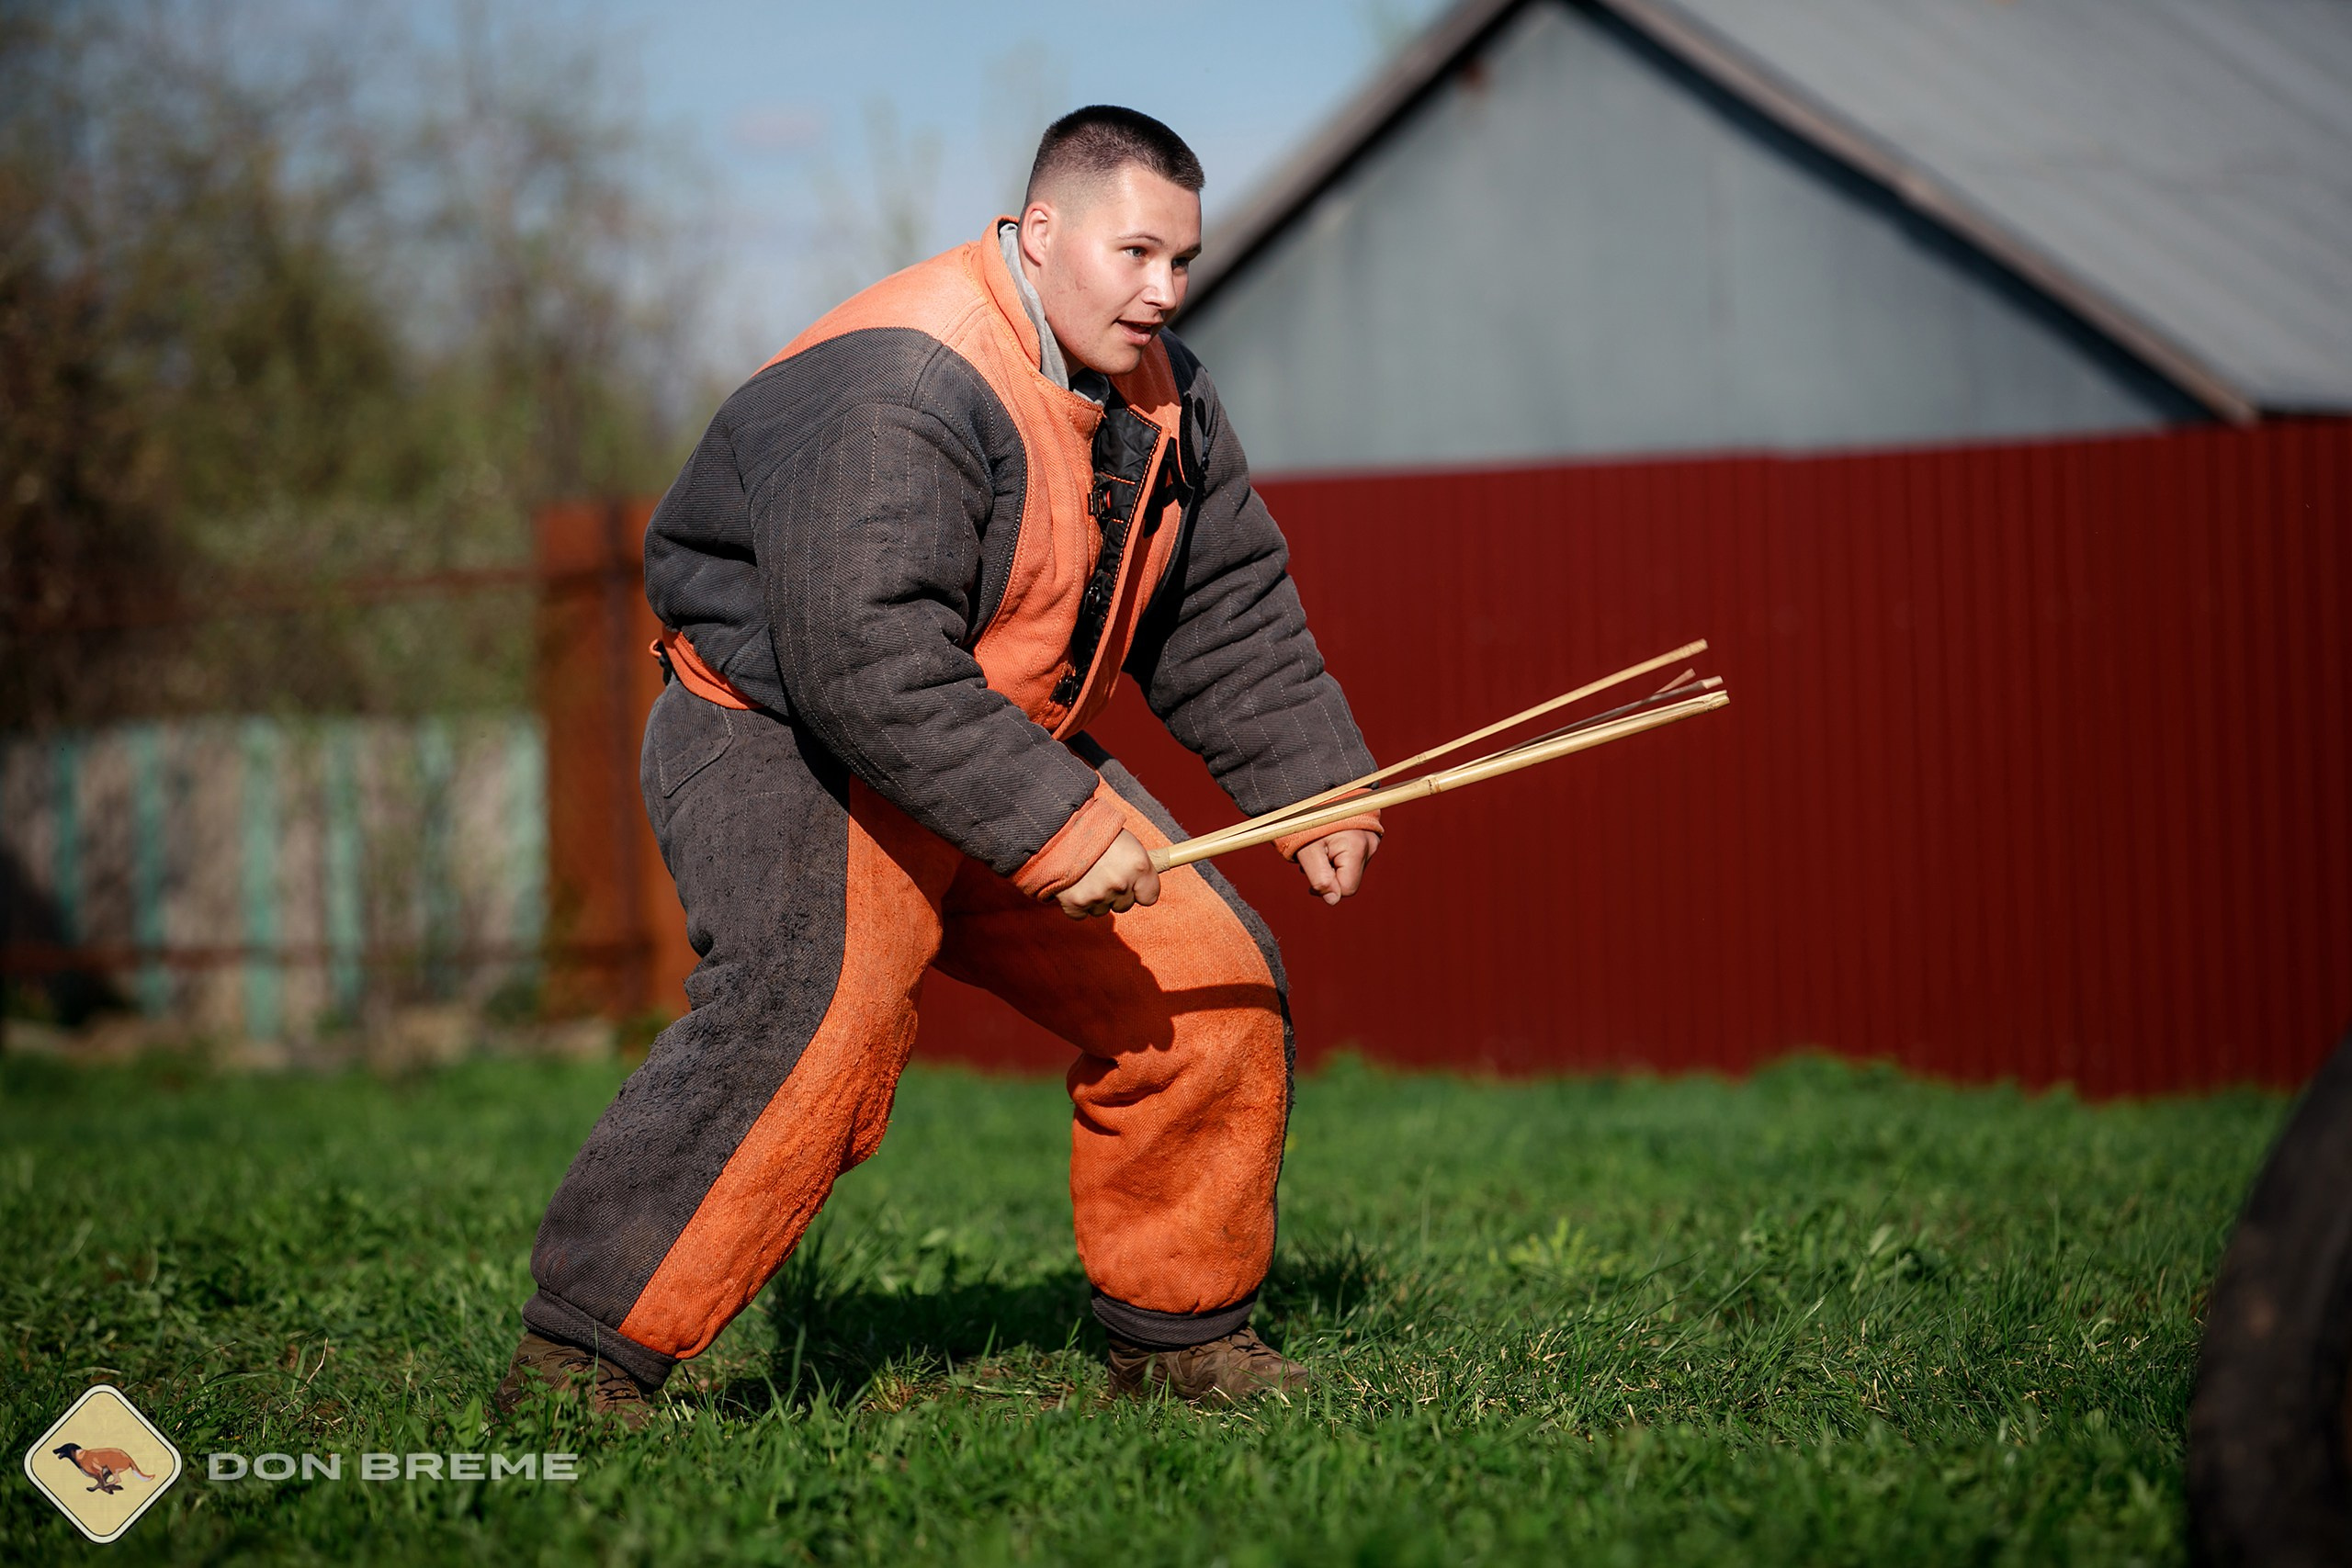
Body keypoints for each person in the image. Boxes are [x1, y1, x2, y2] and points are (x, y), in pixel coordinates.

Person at [493, 106, 1382, 1427]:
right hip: (787, 738)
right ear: (1039, 233)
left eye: (1183, 260)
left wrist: (1312, 779)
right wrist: (1060, 826)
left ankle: (1183, 1341)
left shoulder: (1167, 393)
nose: (1166, 291)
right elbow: (859, 659)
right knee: (814, 1022)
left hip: (993, 746)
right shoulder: (904, 383)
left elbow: (1223, 604)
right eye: (1137, 253)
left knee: (1214, 993)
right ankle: (582, 1367)